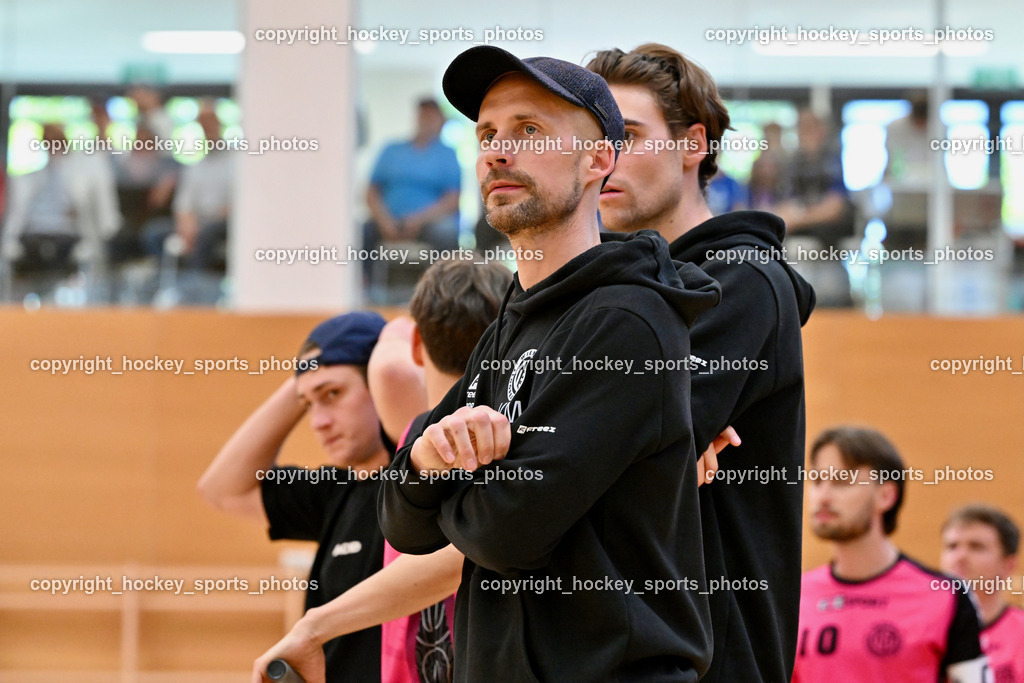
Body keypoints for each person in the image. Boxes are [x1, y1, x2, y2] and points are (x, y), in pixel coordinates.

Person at [378, 46, 722, 681]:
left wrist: (444, 480)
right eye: (487, 133)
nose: (497, 151)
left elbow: (506, 531)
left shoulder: (627, 323)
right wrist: (429, 459)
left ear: (597, 160)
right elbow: (401, 525)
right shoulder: (511, 322)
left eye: (529, 131)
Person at [587, 43, 815, 682]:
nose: (604, 159)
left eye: (627, 136)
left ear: (693, 146)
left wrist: (632, 440)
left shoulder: (743, 280)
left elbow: (599, 461)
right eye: (594, 139)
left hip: (716, 660)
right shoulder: (607, 294)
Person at [249, 261, 512, 683]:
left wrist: (315, 360)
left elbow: (390, 362)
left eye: (331, 394)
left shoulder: (417, 434)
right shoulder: (512, 431)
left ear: (416, 347)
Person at [198, 311, 392, 683]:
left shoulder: (428, 485)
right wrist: (305, 377)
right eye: (309, 405)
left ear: (381, 381)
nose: (318, 421)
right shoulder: (335, 491)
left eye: (333, 394)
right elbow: (223, 488)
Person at [793, 426, 988, 682]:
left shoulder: (946, 596)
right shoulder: (793, 596)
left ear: (885, 495)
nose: (823, 496)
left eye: (842, 481)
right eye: (817, 481)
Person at [365, 98, 461, 252]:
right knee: (361, 231)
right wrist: (385, 221)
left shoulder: (447, 155)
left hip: (429, 222)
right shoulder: (391, 150)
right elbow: (371, 192)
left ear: (441, 121)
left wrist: (418, 220)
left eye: (431, 116)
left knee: (446, 232)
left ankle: (444, 276)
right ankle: (363, 277)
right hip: (388, 221)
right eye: (423, 115)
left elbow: (452, 200)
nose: (426, 121)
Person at [940, 504, 1023, 683]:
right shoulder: (923, 630)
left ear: (1008, 564)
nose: (960, 556)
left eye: (976, 547)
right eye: (952, 546)